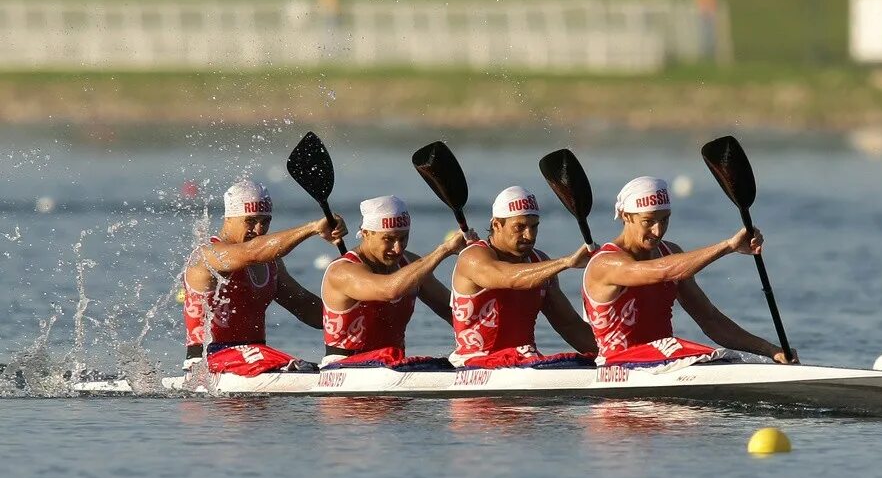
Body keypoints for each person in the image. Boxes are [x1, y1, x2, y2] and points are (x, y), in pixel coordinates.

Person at [582, 176, 796, 367]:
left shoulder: (670, 252)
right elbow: (664, 272)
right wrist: (728, 246)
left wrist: (771, 350)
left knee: (739, 359)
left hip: (664, 362)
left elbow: (710, 320)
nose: (658, 231)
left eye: (664, 219)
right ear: (626, 216)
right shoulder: (606, 263)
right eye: (648, 221)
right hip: (619, 365)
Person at [183, 179, 347, 375]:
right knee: (302, 368)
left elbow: (305, 308)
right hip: (208, 362)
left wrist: (356, 314)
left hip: (256, 359)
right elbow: (252, 252)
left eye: (265, 221)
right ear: (229, 219)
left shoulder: (271, 264)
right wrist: (313, 228)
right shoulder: (208, 255)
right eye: (250, 221)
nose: (259, 230)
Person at [450, 186, 597, 368]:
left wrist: (611, 356)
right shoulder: (473, 257)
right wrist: (566, 262)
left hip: (524, 363)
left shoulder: (540, 260)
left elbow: (569, 325)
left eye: (534, 227)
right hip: (473, 364)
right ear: (496, 225)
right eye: (519, 227)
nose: (529, 235)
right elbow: (510, 278)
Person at [320, 195, 468, 368]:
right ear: (366, 233)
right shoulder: (343, 271)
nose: (397, 248)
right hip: (343, 368)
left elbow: (454, 312)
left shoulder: (410, 264)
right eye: (389, 239)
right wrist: (445, 249)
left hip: (393, 366)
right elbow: (389, 290)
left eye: (403, 238)